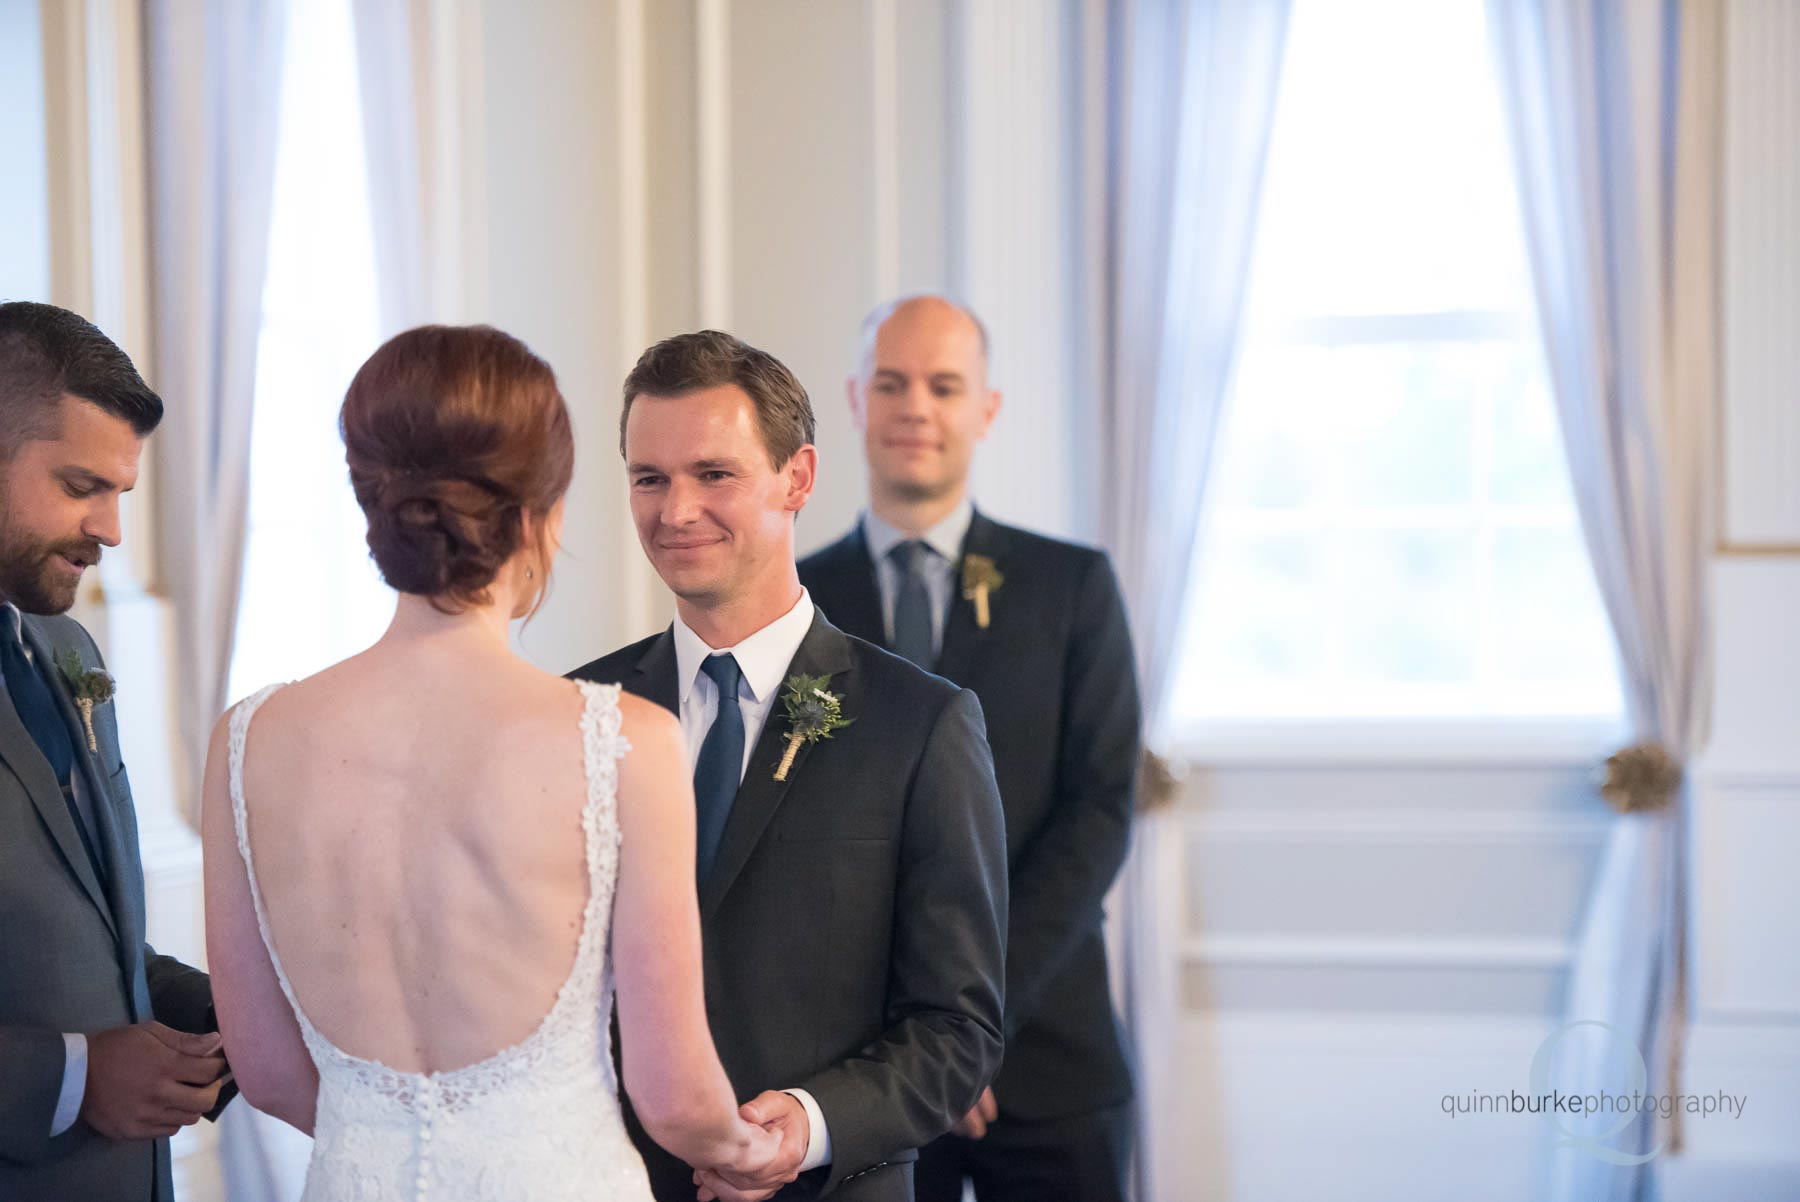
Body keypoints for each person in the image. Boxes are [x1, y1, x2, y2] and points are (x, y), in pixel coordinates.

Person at [200, 324, 781, 1201]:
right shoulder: (621, 739)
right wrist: (741, 1149)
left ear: (373, 497)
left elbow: (271, 1072)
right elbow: (671, 1094)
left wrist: (386, 1137)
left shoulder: (247, 740)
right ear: (537, 514)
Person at [571, 329, 1008, 1202]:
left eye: (714, 474)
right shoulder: (578, 711)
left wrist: (808, 1124)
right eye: (648, 478)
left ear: (797, 478)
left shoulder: (922, 725)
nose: (676, 510)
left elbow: (957, 1028)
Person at [799, 296, 1141, 1202]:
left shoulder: (1072, 587)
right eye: (892, 383)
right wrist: (909, 1049)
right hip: (858, 1070)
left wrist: (970, 1030)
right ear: (855, 400)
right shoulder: (796, 600)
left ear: (985, 408)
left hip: (1048, 1058)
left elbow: (1100, 809)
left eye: (945, 386)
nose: (917, 407)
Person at [0, 300, 233, 1202]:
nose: (111, 529)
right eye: (78, 486)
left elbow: (79, 935)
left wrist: (225, 1017)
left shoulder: (67, 654)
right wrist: (70, 1077)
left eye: (120, 493)